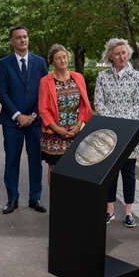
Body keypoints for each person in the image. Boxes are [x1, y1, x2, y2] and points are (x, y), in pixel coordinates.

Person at [94, 38, 139, 228]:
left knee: (129, 172)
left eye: (124, 52)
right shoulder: (102, 77)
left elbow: (138, 105)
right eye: (117, 53)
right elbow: (99, 104)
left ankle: (128, 212)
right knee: (110, 172)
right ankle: (109, 210)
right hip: (109, 133)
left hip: (130, 132)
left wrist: (121, 123)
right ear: (110, 56)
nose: (121, 56)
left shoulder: (137, 77)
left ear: (128, 53)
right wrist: (114, 122)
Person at [0, 26, 49, 214]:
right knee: (12, 160)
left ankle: (35, 198)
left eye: (25, 36)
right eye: (18, 38)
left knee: (36, 161)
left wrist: (33, 115)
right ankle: (12, 199)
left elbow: (45, 91)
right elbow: (1, 92)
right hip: (12, 122)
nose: (22, 40)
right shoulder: (4, 63)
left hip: (35, 121)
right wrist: (18, 115)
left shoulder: (40, 62)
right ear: (12, 41)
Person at [38, 44, 92, 182]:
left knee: (75, 167)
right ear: (52, 61)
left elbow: (84, 104)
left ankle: (71, 201)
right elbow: (43, 108)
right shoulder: (45, 81)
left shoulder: (78, 77)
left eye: (64, 57)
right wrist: (57, 129)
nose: (62, 61)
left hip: (75, 130)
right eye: (58, 58)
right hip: (54, 132)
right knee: (55, 167)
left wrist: (79, 125)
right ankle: (56, 201)